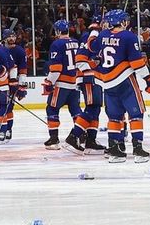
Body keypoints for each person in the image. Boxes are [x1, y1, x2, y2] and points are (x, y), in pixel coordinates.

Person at [93, 10, 150, 163]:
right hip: (125, 80)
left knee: (114, 117)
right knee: (136, 114)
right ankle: (138, 149)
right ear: (123, 22)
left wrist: (95, 29)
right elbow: (137, 63)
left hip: (107, 83)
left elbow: (93, 49)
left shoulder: (103, 35)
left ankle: (115, 150)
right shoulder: (129, 36)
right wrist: (149, 79)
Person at [63, 20, 108, 155]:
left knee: (95, 109)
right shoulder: (89, 36)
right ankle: (73, 136)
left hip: (95, 78)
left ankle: (91, 141)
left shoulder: (100, 36)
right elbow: (81, 59)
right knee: (91, 107)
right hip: (89, 77)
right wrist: (93, 66)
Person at [43, 20, 81, 149]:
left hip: (61, 83)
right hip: (75, 82)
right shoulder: (76, 42)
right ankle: (80, 135)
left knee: (52, 109)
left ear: (58, 31)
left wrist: (49, 82)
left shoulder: (57, 44)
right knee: (75, 109)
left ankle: (54, 140)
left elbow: (56, 68)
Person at [0, 29, 28, 142]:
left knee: (9, 108)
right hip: (0, 82)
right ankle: (1, 129)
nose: (12, 39)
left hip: (12, 84)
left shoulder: (19, 51)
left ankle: (8, 129)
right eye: (9, 36)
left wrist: (21, 87)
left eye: (13, 36)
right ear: (4, 38)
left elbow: (23, 70)